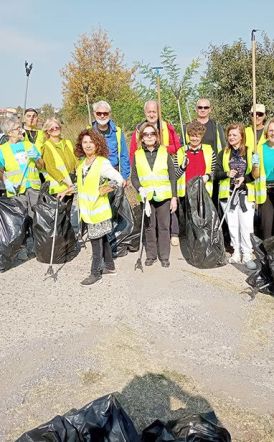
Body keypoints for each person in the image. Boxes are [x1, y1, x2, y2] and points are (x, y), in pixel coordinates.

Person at [58, 129, 124, 286]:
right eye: (85, 142)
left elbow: (119, 180)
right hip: (88, 212)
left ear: (97, 144)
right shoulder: (82, 164)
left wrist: (106, 188)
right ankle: (110, 267)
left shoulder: (102, 163)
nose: (88, 145)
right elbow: (81, 185)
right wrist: (67, 190)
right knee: (103, 240)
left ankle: (95, 273)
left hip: (99, 211)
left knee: (95, 242)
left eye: (91, 142)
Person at [130, 100, 181, 246]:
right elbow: (133, 150)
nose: (152, 114)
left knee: (170, 201)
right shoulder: (139, 130)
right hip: (147, 172)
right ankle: (154, 237)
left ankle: (174, 232)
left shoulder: (166, 127)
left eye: (154, 111)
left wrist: (163, 149)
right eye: (149, 112)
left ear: (158, 112)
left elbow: (177, 146)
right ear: (145, 113)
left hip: (164, 169)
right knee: (150, 211)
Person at [131, 122, 177, 268]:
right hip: (147, 197)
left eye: (152, 134)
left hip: (163, 196)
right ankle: (151, 255)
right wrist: (139, 188)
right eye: (146, 134)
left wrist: (174, 198)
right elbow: (134, 177)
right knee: (150, 227)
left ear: (157, 137)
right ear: (142, 138)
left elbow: (172, 176)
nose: (149, 137)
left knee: (164, 226)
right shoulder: (137, 155)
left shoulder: (164, 152)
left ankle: (164, 256)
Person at [215, 123, 261, 270]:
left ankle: (247, 254)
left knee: (246, 225)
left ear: (242, 136)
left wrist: (245, 178)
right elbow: (216, 173)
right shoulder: (223, 153)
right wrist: (227, 174)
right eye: (229, 135)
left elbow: (256, 175)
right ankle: (236, 252)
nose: (231, 137)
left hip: (245, 194)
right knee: (233, 225)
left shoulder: (250, 152)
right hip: (228, 194)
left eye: (234, 135)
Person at [0, 116, 44, 259]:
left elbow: (41, 166)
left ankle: (37, 246)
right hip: (16, 189)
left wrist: (37, 158)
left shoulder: (28, 145)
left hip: (33, 187)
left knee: (35, 218)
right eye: (17, 129)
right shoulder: (3, 150)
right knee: (20, 219)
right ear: (9, 132)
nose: (20, 131)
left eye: (20, 127)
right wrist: (6, 181)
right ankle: (22, 248)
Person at [173, 120, 216, 226]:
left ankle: (204, 242)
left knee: (204, 221)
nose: (194, 138)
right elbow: (174, 176)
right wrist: (182, 167)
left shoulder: (209, 151)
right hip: (186, 194)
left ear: (201, 136)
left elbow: (214, 171)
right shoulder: (180, 152)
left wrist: (208, 176)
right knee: (190, 223)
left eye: (197, 136)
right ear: (188, 136)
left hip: (204, 192)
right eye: (192, 135)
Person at [42, 118, 77, 215]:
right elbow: (50, 168)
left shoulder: (68, 142)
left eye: (57, 127)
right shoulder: (47, 146)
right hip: (58, 187)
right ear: (47, 131)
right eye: (51, 129)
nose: (55, 129)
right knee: (59, 216)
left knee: (68, 214)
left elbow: (76, 160)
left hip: (70, 185)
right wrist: (65, 181)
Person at [91, 100, 130, 183]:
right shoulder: (88, 132)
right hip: (95, 175)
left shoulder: (118, 132)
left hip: (115, 174)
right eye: (99, 113)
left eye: (105, 113)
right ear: (94, 113)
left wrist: (124, 177)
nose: (102, 116)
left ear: (110, 114)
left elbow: (124, 155)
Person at [257, 117, 274, 239]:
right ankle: (268, 254)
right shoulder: (260, 148)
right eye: (271, 130)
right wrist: (254, 165)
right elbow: (255, 173)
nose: (273, 133)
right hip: (265, 190)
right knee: (267, 225)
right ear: (267, 131)